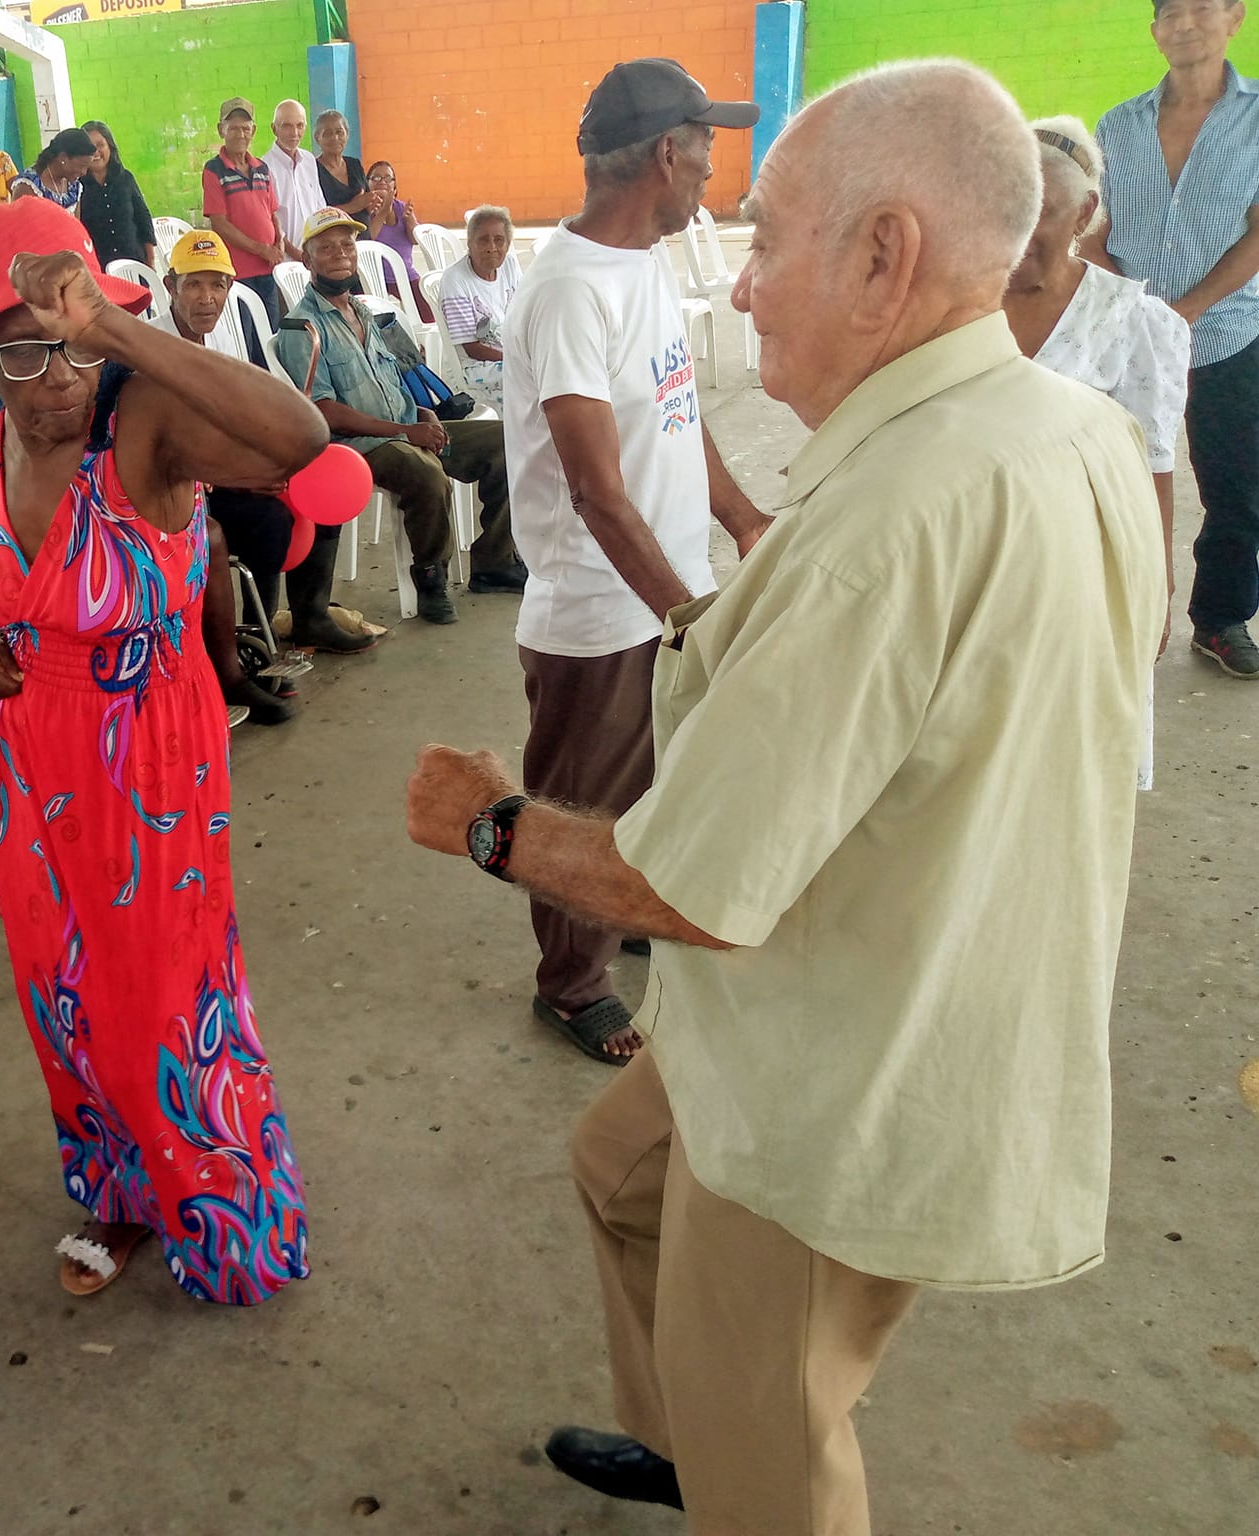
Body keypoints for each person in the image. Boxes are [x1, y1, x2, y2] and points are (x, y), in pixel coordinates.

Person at [406, 60, 1163, 1531]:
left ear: (884, 257)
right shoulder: (1057, 426)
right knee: (617, 1174)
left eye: (767, 240)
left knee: (779, 1432)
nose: (741, 288)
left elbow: (691, 890)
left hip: (843, 1071)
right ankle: (697, 1443)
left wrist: (490, 823)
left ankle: (742, 1467)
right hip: (884, 985)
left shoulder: (893, 520)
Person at [0, 197, 321, 1302]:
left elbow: (297, 441)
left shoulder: (140, 417)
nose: (53, 379)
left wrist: (111, 330)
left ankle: (222, 1205)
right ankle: (120, 1191)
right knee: (62, 987)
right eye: (20, 351)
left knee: (163, 992)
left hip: (147, 749)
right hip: (29, 753)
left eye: (69, 346)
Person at [502, 59, 764, 1065]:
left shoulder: (639, 262)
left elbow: (674, 410)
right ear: (665, 153)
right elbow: (595, 490)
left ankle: (626, 913)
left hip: (657, 598)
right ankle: (569, 985)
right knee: (585, 808)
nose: (710, 169)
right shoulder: (569, 291)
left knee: (651, 792)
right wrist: (685, 614)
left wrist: (741, 518)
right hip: (601, 610)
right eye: (704, 148)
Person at [1088, 0, 1259, 677]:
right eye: (1169, 12)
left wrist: (1185, 311)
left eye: (1200, 7)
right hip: (1127, 339)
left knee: (1237, 490)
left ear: (1234, 17)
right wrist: (1130, 308)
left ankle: (1218, 621)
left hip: (1227, 332)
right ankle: (1117, 612)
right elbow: (1095, 231)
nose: (1184, 23)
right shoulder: (1118, 125)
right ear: (1155, 31)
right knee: (1117, 479)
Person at [1007, 115, 1187, 751]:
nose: (1018, 233)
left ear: (1084, 214)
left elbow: (1153, 464)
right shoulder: (952, 300)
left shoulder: (1132, 323)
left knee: (1070, 738)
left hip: (1080, 568)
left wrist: (1156, 583)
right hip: (970, 560)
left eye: (1043, 214)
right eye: (1006, 208)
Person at [277, 209, 522, 624]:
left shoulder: (362, 311)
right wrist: (405, 431)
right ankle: (430, 578)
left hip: (406, 426)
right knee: (425, 474)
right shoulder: (303, 327)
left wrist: (424, 414)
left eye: (347, 245)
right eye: (326, 248)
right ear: (307, 259)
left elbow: (392, 377)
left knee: (506, 441)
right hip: (361, 445)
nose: (340, 254)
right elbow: (323, 411)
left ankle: (494, 563)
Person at [157, 228, 372, 663]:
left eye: (218, 285)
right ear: (170, 286)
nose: (207, 298)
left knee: (319, 493)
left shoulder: (221, 335)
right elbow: (163, 450)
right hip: (176, 491)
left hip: (222, 473)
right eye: (193, 285)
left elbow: (243, 414)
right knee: (270, 521)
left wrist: (275, 459)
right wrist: (243, 476)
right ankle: (256, 639)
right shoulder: (154, 346)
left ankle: (308, 618)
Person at [203, 97, 290, 327]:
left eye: (245, 128)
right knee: (247, 334)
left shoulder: (262, 168)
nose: (240, 134)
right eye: (233, 128)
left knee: (271, 331)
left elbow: (272, 213)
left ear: (253, 131)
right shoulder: (214, 170)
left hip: (267, 269)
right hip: (238, 272)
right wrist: (262, 249)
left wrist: (279, 242)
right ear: (221, 130)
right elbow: (219, 223)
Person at [440, 205, 522, 411]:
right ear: (470, 243)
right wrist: (517, 358)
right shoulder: (455, 280)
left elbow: (524, 316)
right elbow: (471, 348)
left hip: (510, 353)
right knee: (532, 375)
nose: (492, 247)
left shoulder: (509, 265)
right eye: (483, 240)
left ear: (508, 243)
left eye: (499, 240)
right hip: (474, 365)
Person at [76, 121, 157, 272]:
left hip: (134, 264)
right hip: (98, 268)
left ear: (110, 146)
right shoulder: (77, 186)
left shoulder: (125, 179)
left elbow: (143, 219)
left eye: (100, 145)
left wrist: (151, 261)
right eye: (89, 147)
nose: (95, 152)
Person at [362, 162, 434, 322]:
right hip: (374, 277)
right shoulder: (364, 210)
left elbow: (415, 240)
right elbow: (367, 239)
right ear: (368, 183)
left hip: (404, 274)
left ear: (395, 186)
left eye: (388, 178)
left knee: (428, 311)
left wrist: (409, 220)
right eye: (376, 178)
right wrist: (383, 211)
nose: (382, 182)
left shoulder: (401, 208)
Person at [265, 99, 327, 253]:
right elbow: (270, 220)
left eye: (300, 126)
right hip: (285, 259)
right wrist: (297, 254)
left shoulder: (309, 160)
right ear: (274, 129)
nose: (294, 133)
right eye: (287, 126)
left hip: (315, 255)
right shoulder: (264, 167)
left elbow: (319, 207)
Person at [8, 127, 97, 212]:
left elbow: (75, 222)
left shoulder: (74, 188)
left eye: (87, 167)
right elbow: (20, 221)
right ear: (63, 158)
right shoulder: (27, 186)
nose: (84, 172)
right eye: (81, 166)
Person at [314, 110, 370, 215]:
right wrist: (352, 206)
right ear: (317, 138)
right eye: (328, 133)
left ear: (347, 134)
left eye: (339, 132)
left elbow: (367, 205)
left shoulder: (355, 165)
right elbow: (316, 213)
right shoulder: (313, 169)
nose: (335, 138)